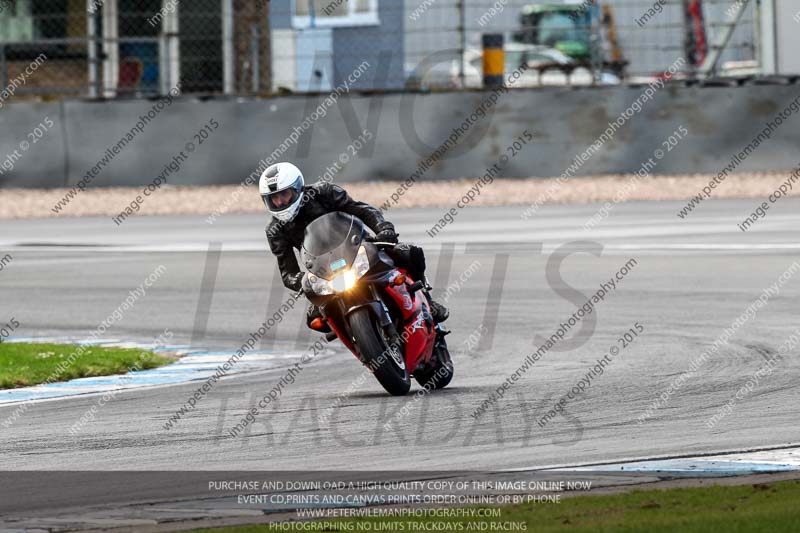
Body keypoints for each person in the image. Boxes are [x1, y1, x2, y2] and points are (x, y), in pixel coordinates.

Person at [260, 161, 449, 331]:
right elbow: (288, 272)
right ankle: (360, 341)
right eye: (273, 198)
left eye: (284, 194)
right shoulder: (275, 230)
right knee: (316, 319)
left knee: (408, 254)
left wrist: (384, 228)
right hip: (323, 272)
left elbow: (362, 210)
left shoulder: (324, 193)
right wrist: (303, 280)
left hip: (358, 249)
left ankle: (428, 301)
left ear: (297, 188)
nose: (279, 202)